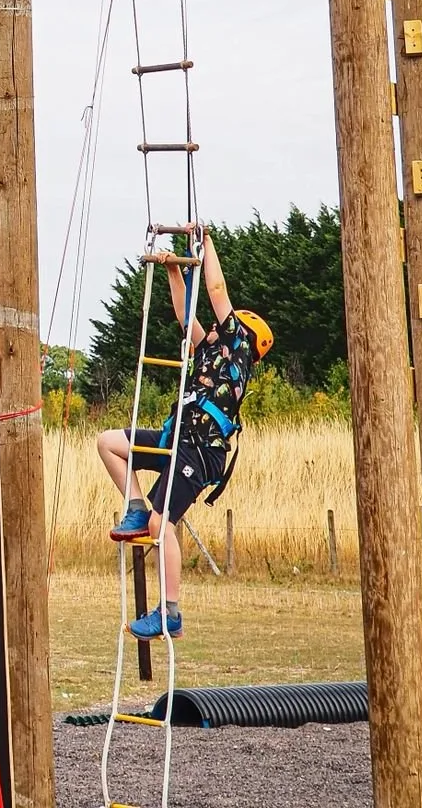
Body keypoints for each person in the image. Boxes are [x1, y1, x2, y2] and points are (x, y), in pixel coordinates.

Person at [94, 230, 273, 638]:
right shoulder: (210, 348)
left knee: (163, 525)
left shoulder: (236, 350)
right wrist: (174, 269)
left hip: (200, 451)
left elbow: (215, 287)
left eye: (225, 321)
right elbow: (183, 315)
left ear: (242, 333)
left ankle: (170, 611)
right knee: (109, 443)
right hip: (177, 440)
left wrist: (205, 242)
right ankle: (136, 507)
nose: (213, 323)